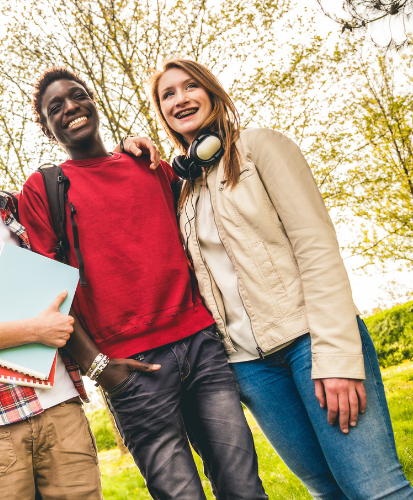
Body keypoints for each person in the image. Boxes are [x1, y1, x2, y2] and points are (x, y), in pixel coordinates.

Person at [149, 58, 413, 500]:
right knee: (326, 492)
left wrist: (336, 356)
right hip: (251, 369)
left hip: (310, 343)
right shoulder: (185, 191)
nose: (181, 99)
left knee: (376, 491)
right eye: (167, 95)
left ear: (212, 93)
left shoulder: (261, 148)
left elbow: (317, 248)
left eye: (190, 86)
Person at [18, 67, 268, 500]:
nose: (70, 108)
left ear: (93, 100)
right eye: (55, 107)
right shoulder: (43, 189)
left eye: (77, 96)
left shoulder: (148, 165)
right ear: (45, 126)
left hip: (201, 346)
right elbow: (46, 295)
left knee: (244, 488)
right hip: (132, 370)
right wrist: (99, 367)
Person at [0, 88, 159, 500]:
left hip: (61, 410)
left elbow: (93, 193)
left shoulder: (20, 208)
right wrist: (32, 330)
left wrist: (126, 151)